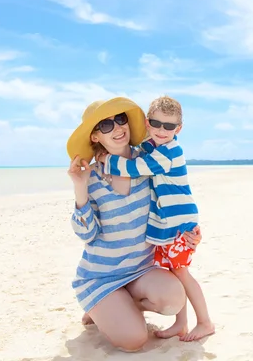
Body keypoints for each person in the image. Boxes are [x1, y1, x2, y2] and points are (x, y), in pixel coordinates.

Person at [66, 97, 203, 352]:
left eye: (120, 119)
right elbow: (87, 234)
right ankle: (100, 307)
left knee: (174, 298)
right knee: (133, 341)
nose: (117, 128)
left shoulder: (149, 163)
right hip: (101, 276)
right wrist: (80, 188)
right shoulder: (92, 176)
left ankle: (116, 308)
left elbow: (175, 196)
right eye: (105, 125)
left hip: (141, 270)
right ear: (95, 137)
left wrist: (189, 232)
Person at [97, 95, 214, 342]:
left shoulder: (170, 152)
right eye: (156, 124)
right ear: (148, 124)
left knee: (181, 274)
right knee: (171, 273)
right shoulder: (153, 146)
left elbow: (135, 168)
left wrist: (107, 160)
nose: (162, 130)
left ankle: (204, 322)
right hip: (166, 225)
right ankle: (181, 324)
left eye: (169, 126)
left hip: (180, 225)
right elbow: (138, 151)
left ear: (178, 129)